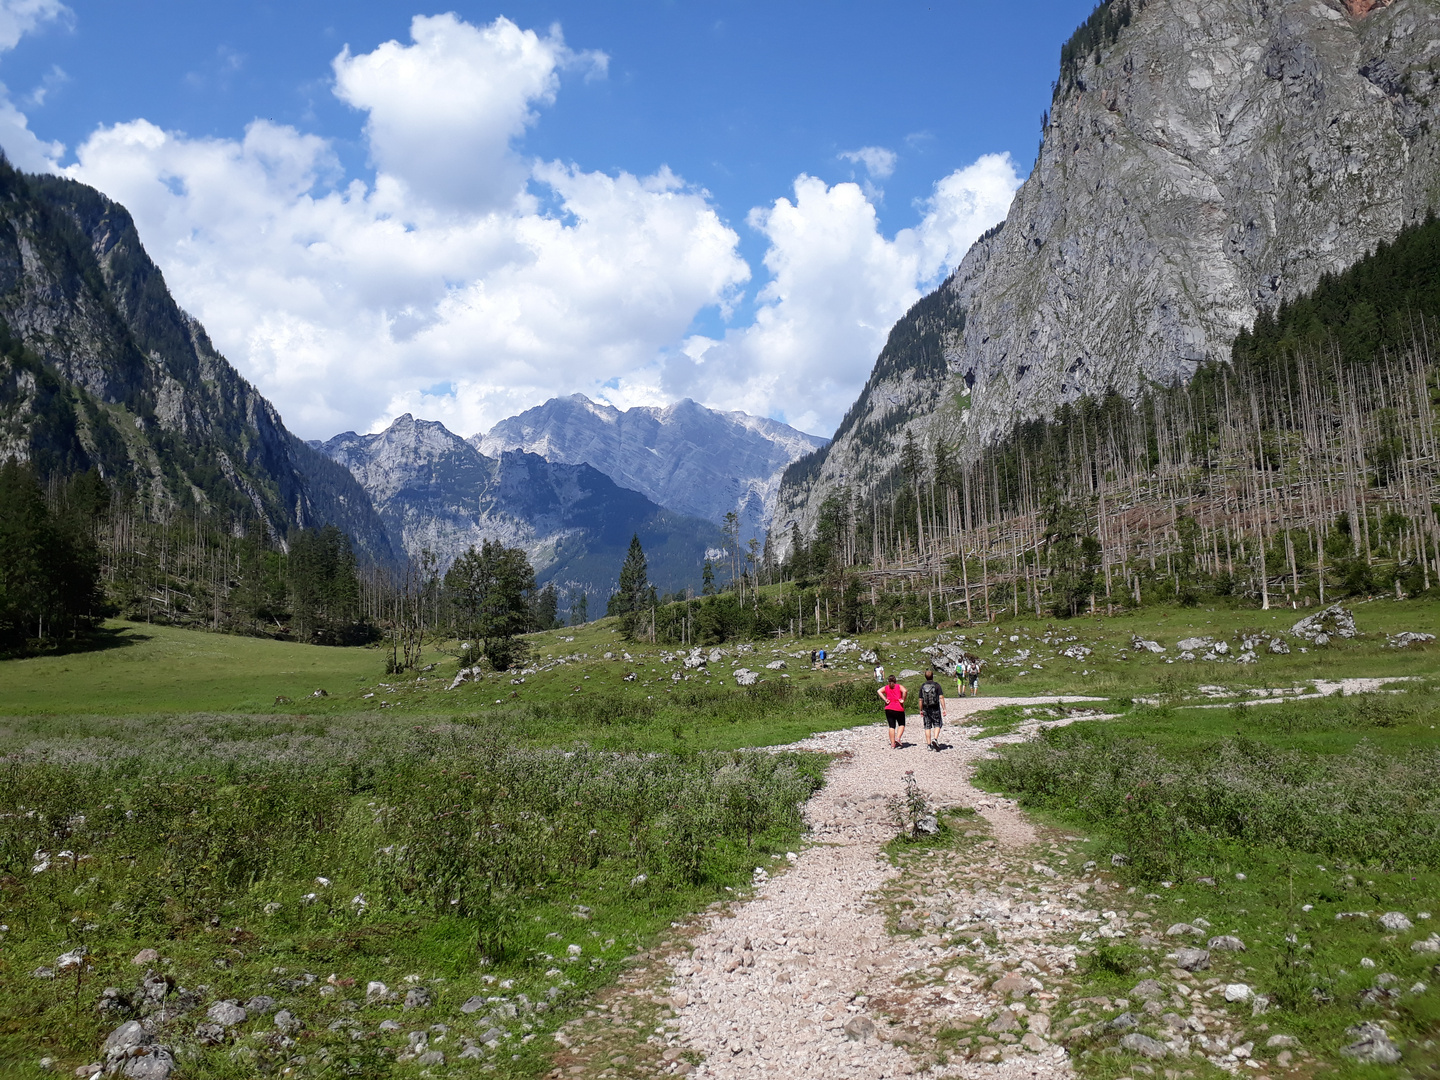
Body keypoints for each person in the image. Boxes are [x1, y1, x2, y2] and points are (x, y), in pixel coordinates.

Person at [876, 674, 907, 749]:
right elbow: (905, 691)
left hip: (889, 708)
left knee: (891, 726)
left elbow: (879, 691)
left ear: (888, 681)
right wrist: (903, 699)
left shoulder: (886, 687)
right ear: (895, 680)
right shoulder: (899, 686)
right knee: (901, 724)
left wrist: (885, 699)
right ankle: (898, 738)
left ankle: (893, 744)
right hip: (898, 708)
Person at [919, 669, 946, 751]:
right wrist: (944, 708)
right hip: (935, 707)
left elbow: (920, 699)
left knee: (927, 726)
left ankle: (928, 745)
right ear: (933, 676)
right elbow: (941, 697)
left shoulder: (922, 686)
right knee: (937, 724)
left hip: (926, 708)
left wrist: (921, 710)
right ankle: (935, 739)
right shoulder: (937, 685)